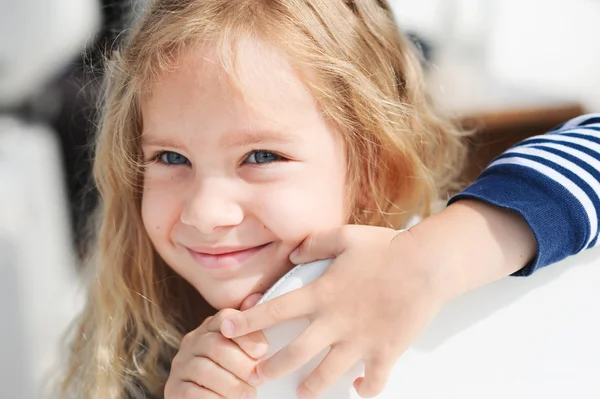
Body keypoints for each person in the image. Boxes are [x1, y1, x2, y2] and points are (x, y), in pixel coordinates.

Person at [58, 0, 599, 398]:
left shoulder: (441, 286)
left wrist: (427, 262)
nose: (204, 211)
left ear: (372, 168)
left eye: (262, 157)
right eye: (171, 159)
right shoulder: (147, 357)